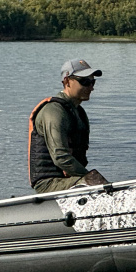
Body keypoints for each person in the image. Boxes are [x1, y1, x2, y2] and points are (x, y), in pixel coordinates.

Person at [28, 59, 111, 193]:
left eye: (92, 82)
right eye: (85, 82)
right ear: (67, 81)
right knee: (97, 183)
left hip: (69, 179)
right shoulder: (54, 111)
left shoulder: (79, 112)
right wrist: (89, 177)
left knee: (101, 183)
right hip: (48, 184)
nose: (91, 87)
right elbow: (60, 157)